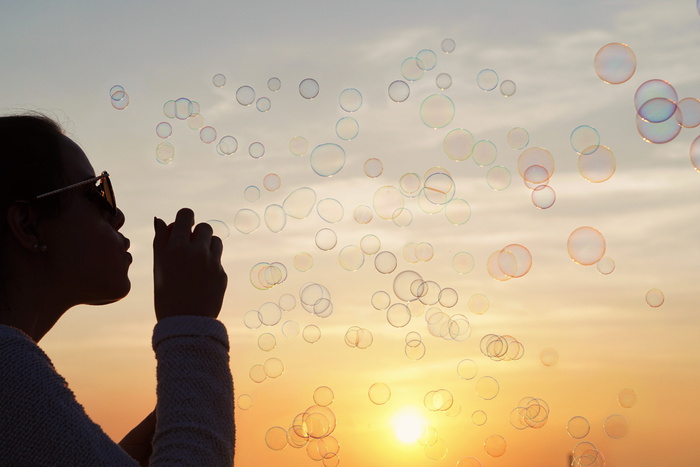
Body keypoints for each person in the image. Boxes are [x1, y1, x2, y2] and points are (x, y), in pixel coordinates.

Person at [0, 113, 235, 466]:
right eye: (98, 193)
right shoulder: (8, 370)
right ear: (29, 226)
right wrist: (191, 326)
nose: (118, 215)